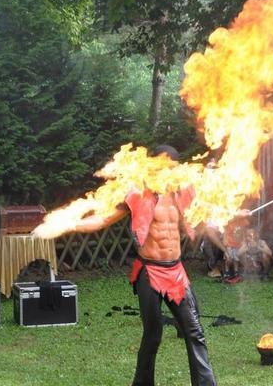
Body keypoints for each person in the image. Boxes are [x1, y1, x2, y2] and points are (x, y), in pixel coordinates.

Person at [73, 145, 217, 386]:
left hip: (176, 272)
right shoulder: (138, 196)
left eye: (171, 168)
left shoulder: (183, 193)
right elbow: (104, 219)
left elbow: (205, 213)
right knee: (153, 335)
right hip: (149, 272)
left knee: (195, 332)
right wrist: (72, 224)